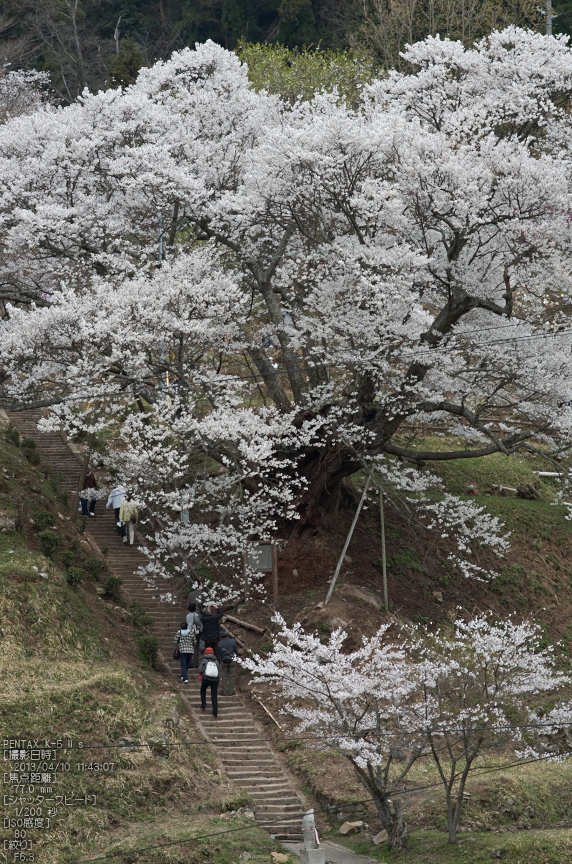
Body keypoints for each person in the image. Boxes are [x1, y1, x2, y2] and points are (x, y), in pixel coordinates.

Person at [218, 626, 240, 696]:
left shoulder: (219, 643)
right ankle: (231, 691)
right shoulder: (233, 641)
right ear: (227, 634)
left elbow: (219, 653)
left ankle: (224, 691)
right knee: (231, 676)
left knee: (224, 676)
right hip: (232, 659)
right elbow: (236, 651)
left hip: (223, 660)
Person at [198, 646, 220, 716]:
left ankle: (203, 704)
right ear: (212, 653)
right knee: (214, 694)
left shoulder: (204, 660)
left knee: (203, 689)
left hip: (206, 678)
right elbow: (218, 670)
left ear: (205, 653)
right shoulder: (216, 661)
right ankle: (215, 711)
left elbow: (200, 669)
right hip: (215, 679)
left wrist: (202, 672)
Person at [174, 619, 195, 684]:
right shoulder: (191, 632)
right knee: (187, 664)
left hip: (182, 650)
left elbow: (175, 641)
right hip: (190, 650)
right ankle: (183, 675)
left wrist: (178, 644)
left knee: (183, 664)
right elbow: (194, 641)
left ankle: (185, 678)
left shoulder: (179, 632)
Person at [186, 603, 202, 668]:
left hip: (188, 632)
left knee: (190, 648)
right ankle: (195, 663)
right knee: (195, 648)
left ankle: (189, 663)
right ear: (195, 609)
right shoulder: (196, 615)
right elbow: (199, 623)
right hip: (194, 633)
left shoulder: (187, 615)